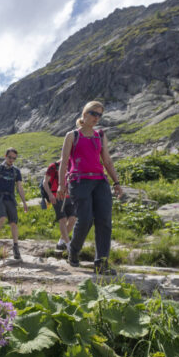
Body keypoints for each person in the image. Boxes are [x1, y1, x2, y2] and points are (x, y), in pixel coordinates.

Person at [57, 101, 123, 274]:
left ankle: (101, 263)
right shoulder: (72, 135)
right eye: (93, 113)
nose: (96, 117)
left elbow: (107, 160)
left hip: (100, 181)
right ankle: (74, 251)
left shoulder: (100, 135)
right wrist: (61, 185)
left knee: (104, 221)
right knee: (85, 219)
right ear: (84, 113)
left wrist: (116, 183)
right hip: (79, 181)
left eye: (100, 115)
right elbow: (64, 162)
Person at [0, 148, 28, 260]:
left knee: (14, 223)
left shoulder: (16, 171)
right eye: (10, 157)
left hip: (10, 198)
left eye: (14, 158)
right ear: (5, 156)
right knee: (2, 217)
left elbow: (20, 187)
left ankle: (16, 247)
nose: (12, 160)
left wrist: (24, 202)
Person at [43, 160, 76, 250]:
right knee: (63, 219)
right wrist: (50, 195)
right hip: (56, 196)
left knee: (72, 219)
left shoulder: (72, 164)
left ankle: (61, 242)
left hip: (70, 197)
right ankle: (69, 246)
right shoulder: (53, 166)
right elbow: (45, 182)